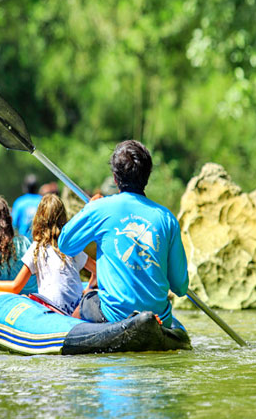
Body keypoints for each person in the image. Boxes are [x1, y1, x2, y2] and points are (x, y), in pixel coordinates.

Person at [58, 140, 189, 328]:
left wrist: (89, 208)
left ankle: (70, 340)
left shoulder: (99, 209)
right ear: (147, 175)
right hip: (160, 317)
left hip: (114, 316)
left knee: (87, 297)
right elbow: (180, 286)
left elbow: (65, 244)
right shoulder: (167, 218)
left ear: (115, 177)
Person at [0, 194, 95, 314]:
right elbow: (98, 269)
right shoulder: (70, 246)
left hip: (52, 309)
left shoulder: (36, 248)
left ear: (38, 220)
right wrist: (89, 286)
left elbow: (15, 287)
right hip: (77, 308)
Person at [11, 174, 42, 239]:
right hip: (40, 242)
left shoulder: (19, 202)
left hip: (24, 242)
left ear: (25, 187)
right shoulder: (43, 201)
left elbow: (14, 223)